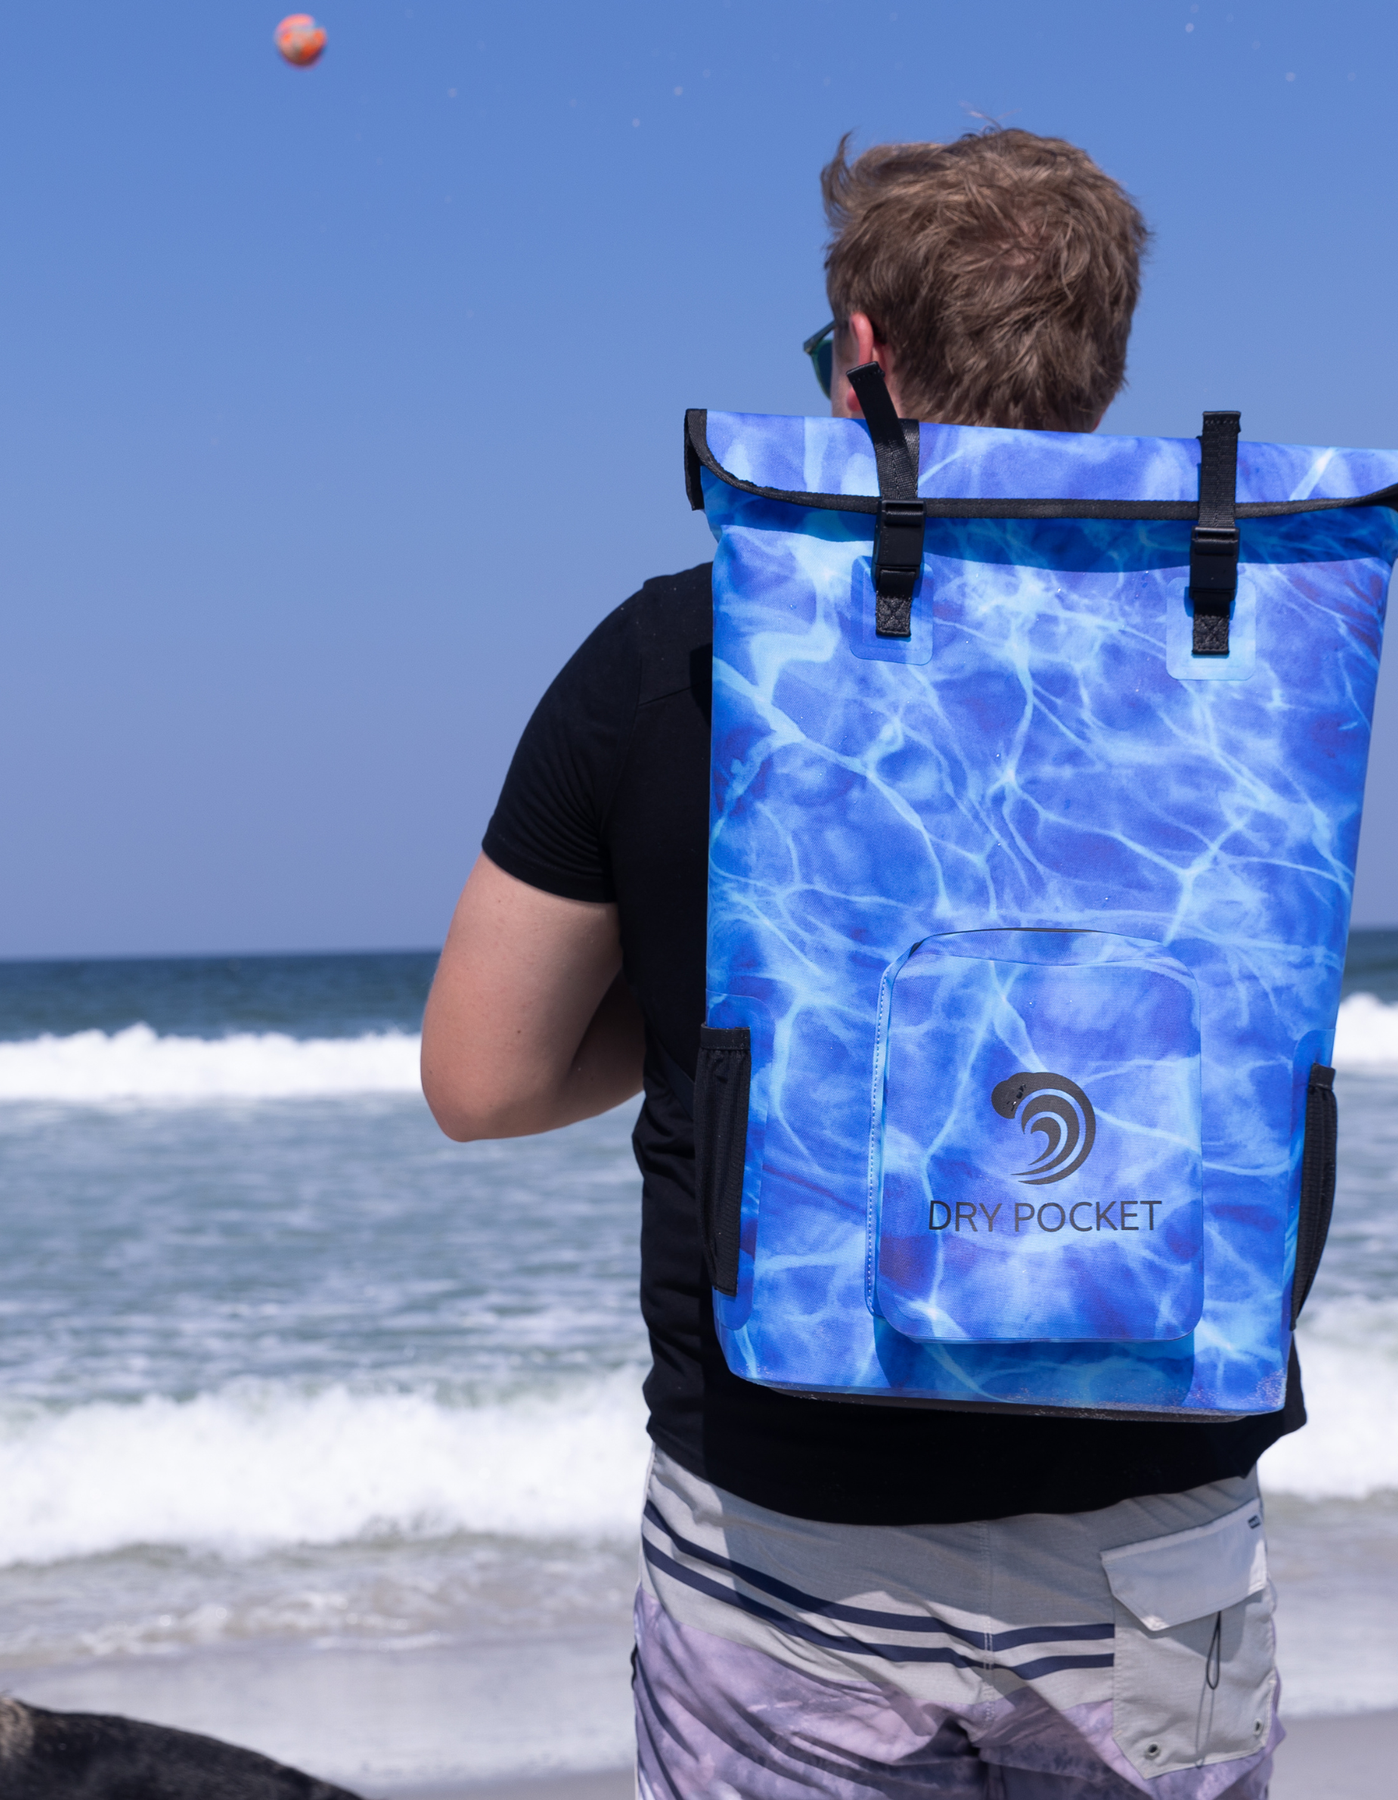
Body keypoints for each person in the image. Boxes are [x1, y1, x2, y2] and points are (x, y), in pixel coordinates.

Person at [422, 128, 1288, 1800]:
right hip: (1163, 1521)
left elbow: (484, 1078)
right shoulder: (1255, 633)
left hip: (793, 1535)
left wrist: (711, 999)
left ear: (866, 354)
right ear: (1102, 367)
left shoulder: (677, 653)